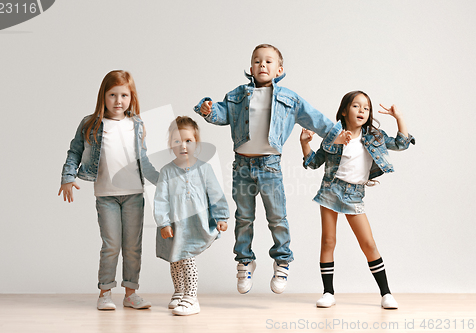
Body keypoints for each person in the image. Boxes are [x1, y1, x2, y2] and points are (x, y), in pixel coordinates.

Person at [194, 44, 350, 294]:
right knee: (243, 217)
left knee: (277, 217)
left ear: (279, 70)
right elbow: (222, 114)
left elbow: (316, 118)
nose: (262, 65)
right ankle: (245, 261)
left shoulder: (289, 98)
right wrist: (208, 109)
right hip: (242, 166)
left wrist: (336, 135)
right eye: (257, 61)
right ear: (250, 68)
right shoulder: (238, 95)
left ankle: (282, 260)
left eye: (268, 62)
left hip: (269, 167)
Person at [300, 90, 415, 309]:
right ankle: (328, 293)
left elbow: (401, 144)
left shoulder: (374, 137)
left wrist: (399, 118)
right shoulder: (332, 135)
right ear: (344, 111)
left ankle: (386, 294)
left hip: (354, 194)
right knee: (328, 241)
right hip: (330, 190)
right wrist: (305, 144)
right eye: (356, 106)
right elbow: (313, 163)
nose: (362, 110)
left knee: (368, 243)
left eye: (366, 107)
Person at [58, 70, 159, 310]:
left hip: (134, 194)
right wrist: (67, 177)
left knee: (133, 246)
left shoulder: (137, 124)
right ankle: (105, 292)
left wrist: (163, 180)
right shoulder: (91, 124)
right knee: (111, 244)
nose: (118, 101)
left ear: (131, 97)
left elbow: (143, 159)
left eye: (124, 95)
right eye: (112, 95)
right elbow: (74, 151)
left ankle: (131, 293)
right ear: (103, 96)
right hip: (106, 196)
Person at [154, 116, 229, 316]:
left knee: (187, 257)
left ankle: (191, 296)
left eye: (188, 141)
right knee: (175, 259)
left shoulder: (204, 168)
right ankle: (179, 291)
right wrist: (163, 222)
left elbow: (216, 194)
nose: (183, 146)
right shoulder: (167, 171)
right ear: (170, 144)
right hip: (174, 223)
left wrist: (221, 216)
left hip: (194, 223)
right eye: (177, 141)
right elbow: (160, 199)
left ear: (196, 143)